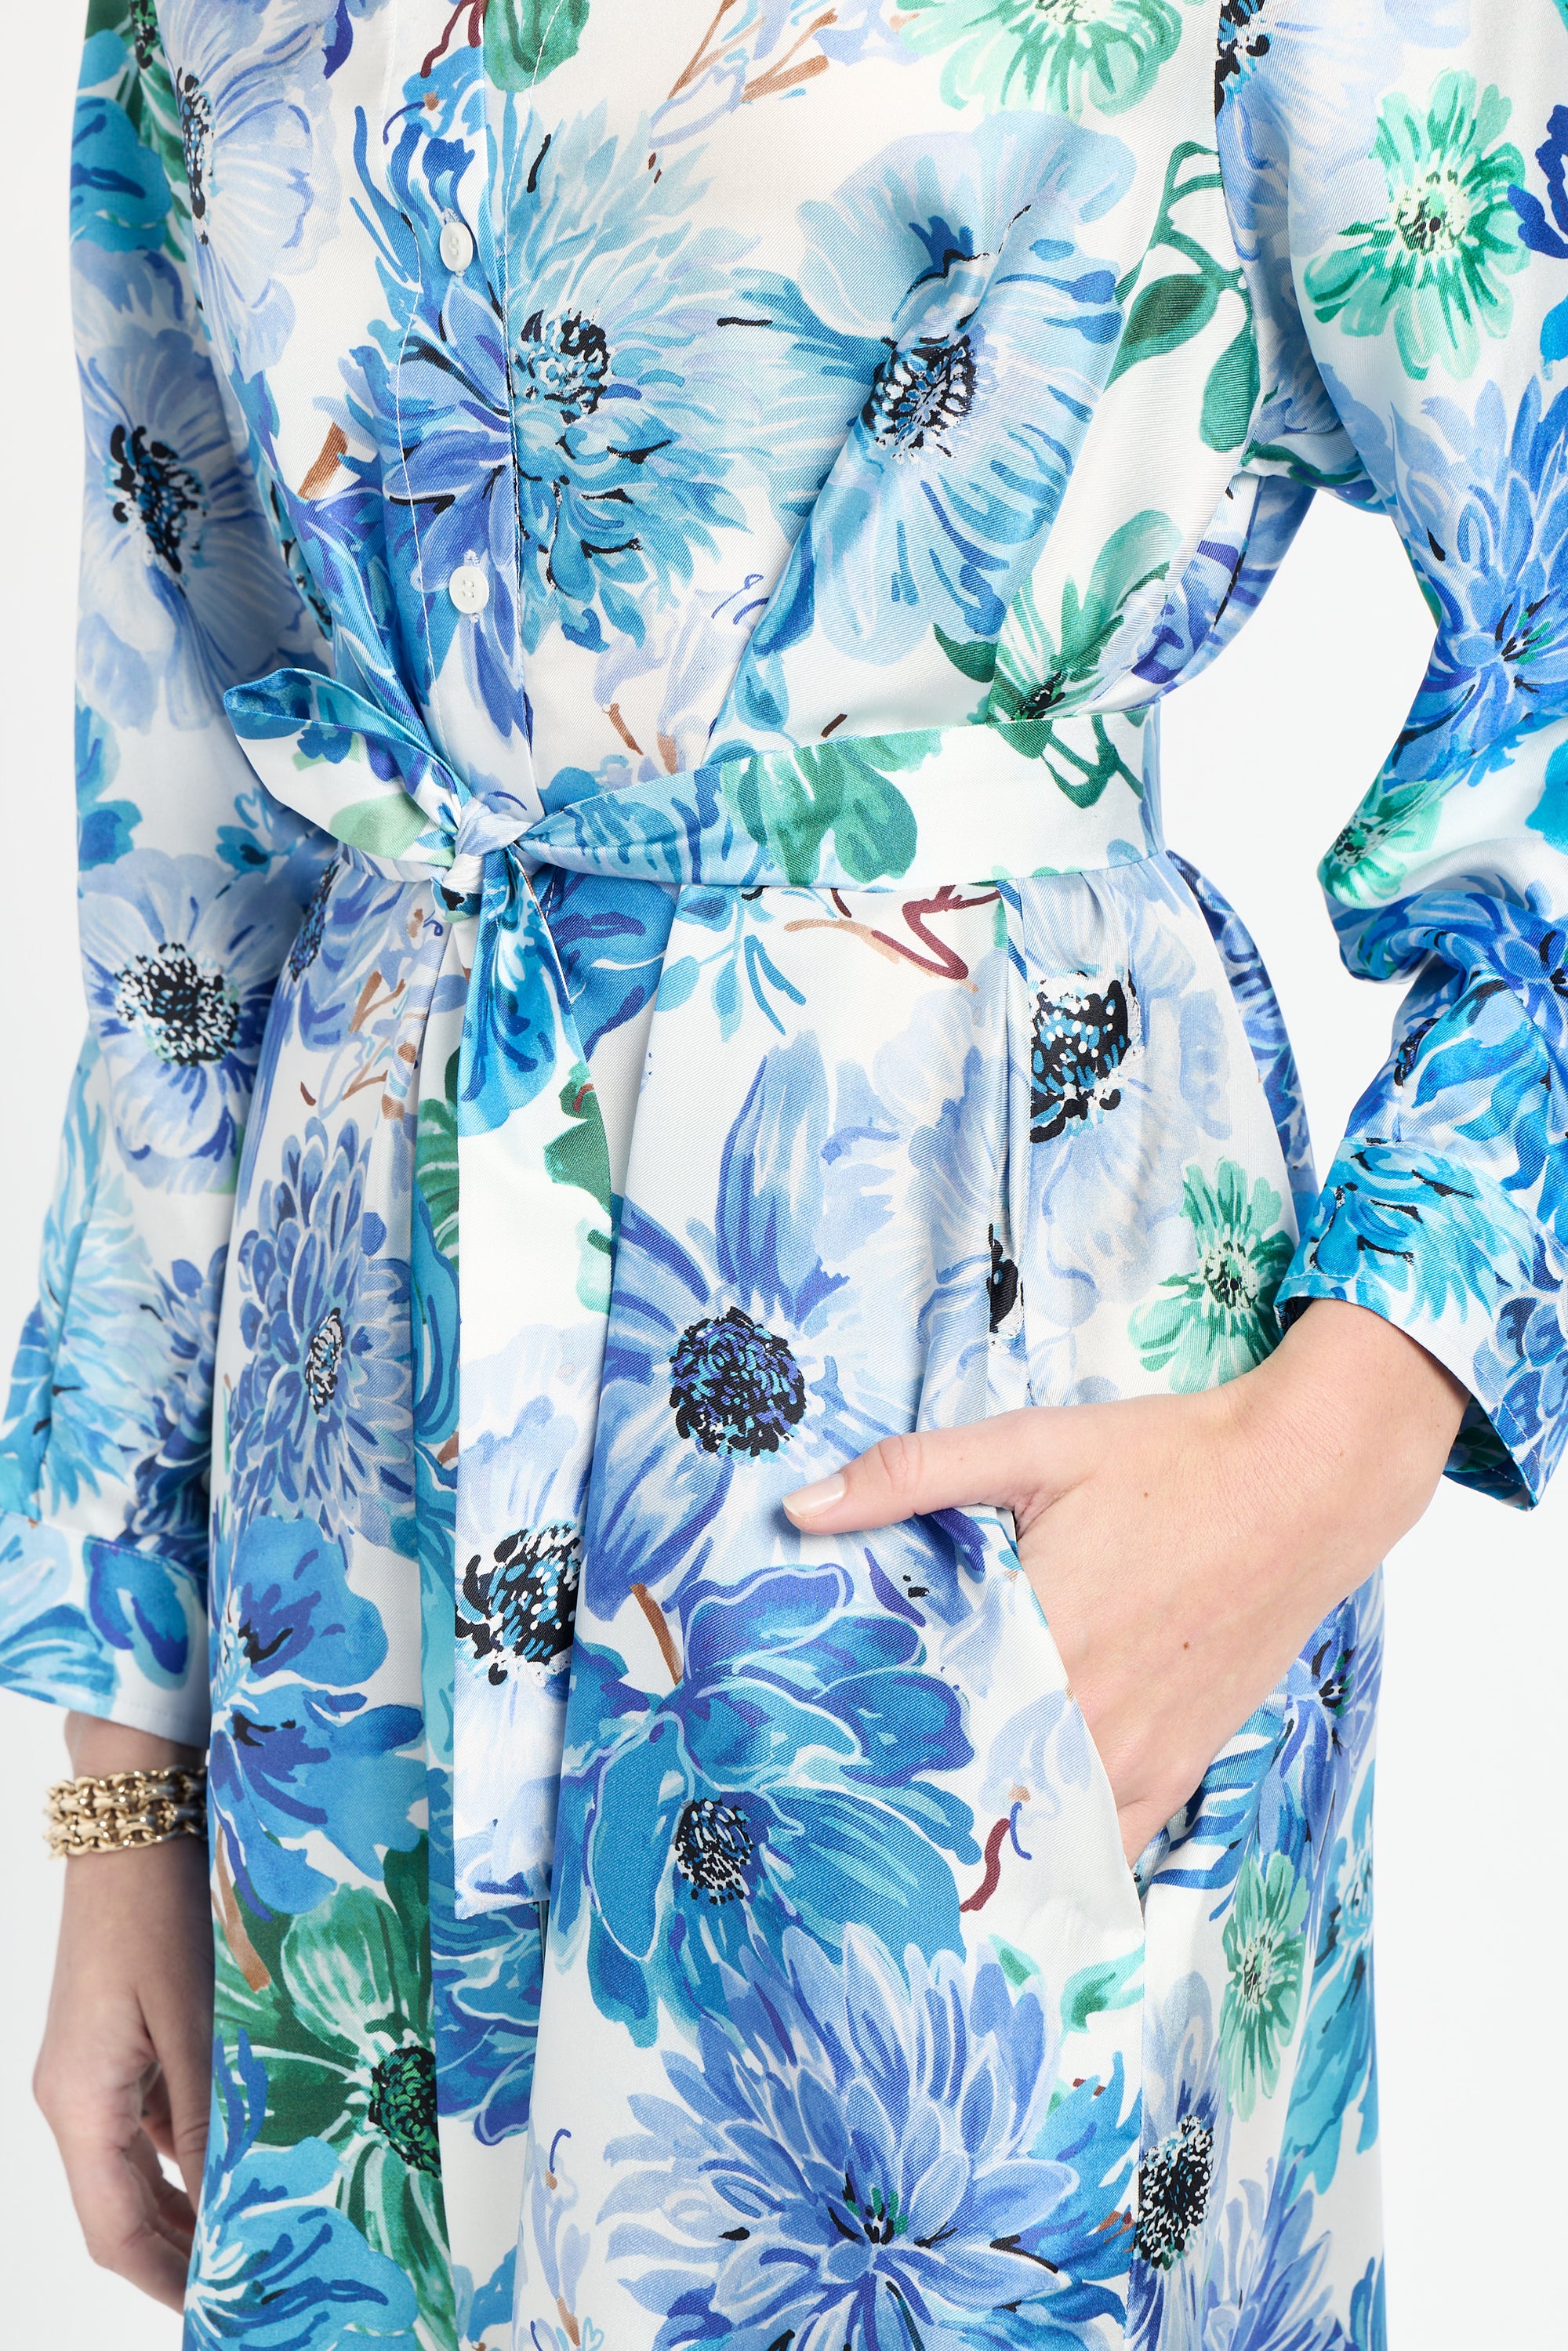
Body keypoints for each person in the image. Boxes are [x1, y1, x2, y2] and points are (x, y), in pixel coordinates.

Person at [3, 2, 1563, 2345]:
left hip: (980, 1417)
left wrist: (1328, 1447)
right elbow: (192, 901)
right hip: (354, 1565)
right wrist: (121, 1788)